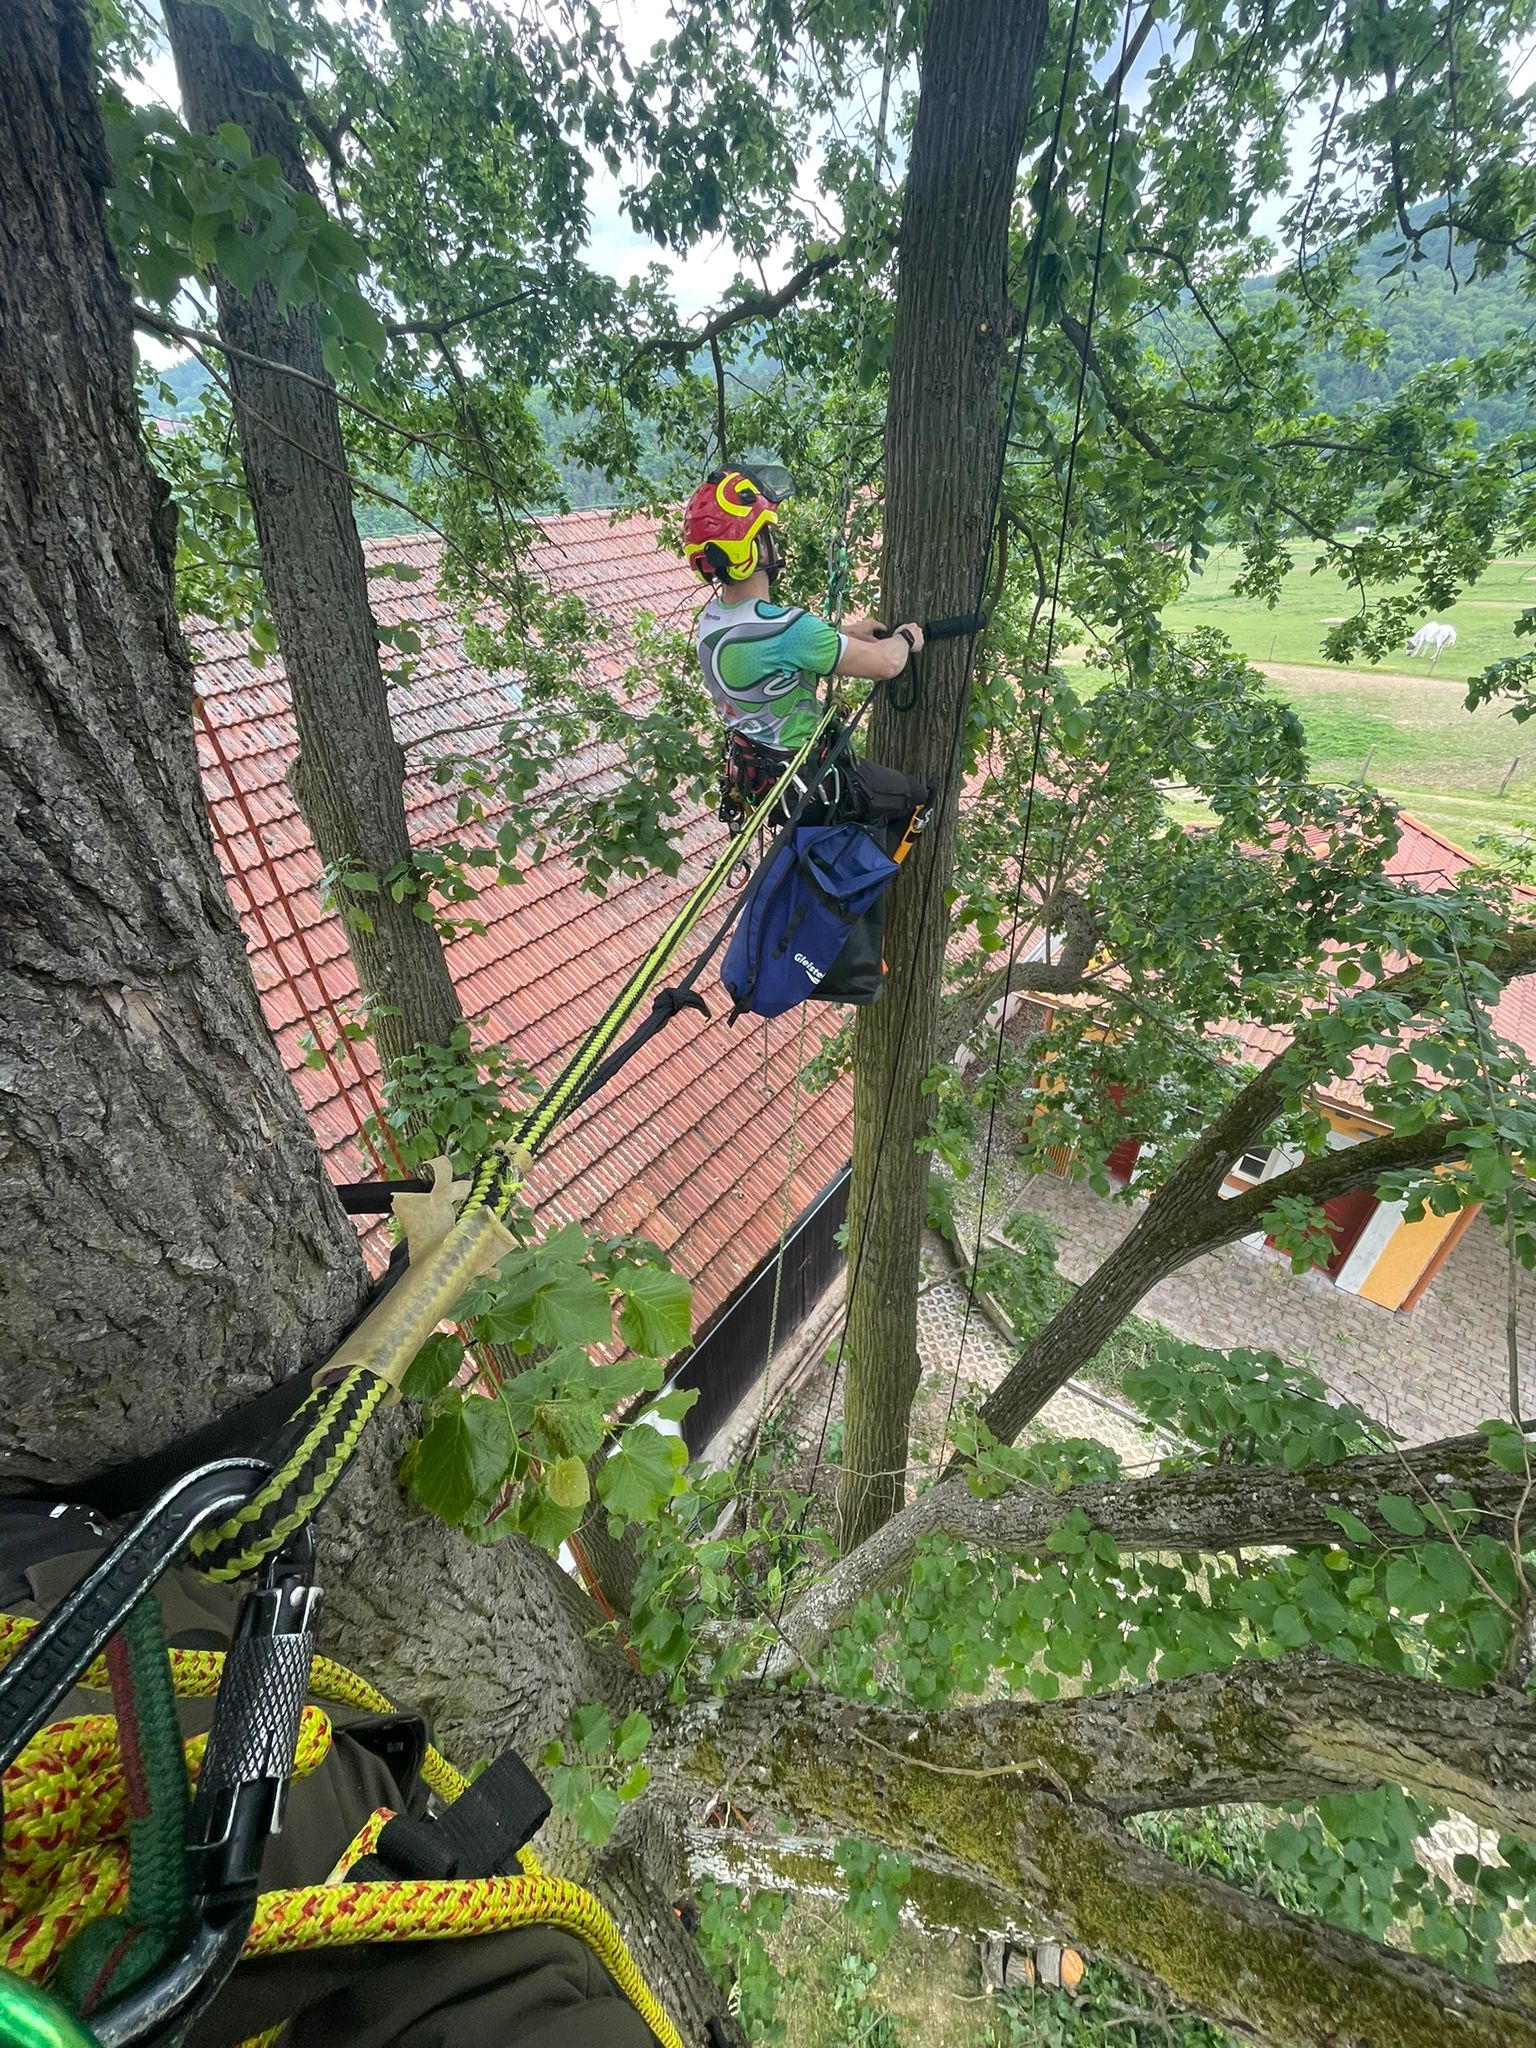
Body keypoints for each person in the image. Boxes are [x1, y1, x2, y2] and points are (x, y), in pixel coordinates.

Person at [682, 466, 930, 834]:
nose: (773, 544)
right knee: (918, 798)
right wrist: (906, 638)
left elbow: (773, 653)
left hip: (761, 783)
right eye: (766, 535)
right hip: (810, 787)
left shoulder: (712, 620)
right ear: (753, 547)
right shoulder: (789, 629)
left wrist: (846, 633)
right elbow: (886, 663)